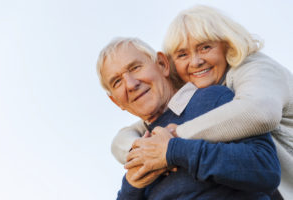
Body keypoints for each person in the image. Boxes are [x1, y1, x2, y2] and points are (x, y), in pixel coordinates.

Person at [111, 5, 293, 199]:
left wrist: (175, 140)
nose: (196, 61)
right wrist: (143, 149)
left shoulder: (256, 69)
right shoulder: (202, 90)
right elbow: (126, 136)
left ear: (228, 44)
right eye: (183, 55)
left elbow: (259, 112)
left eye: (205, 47)